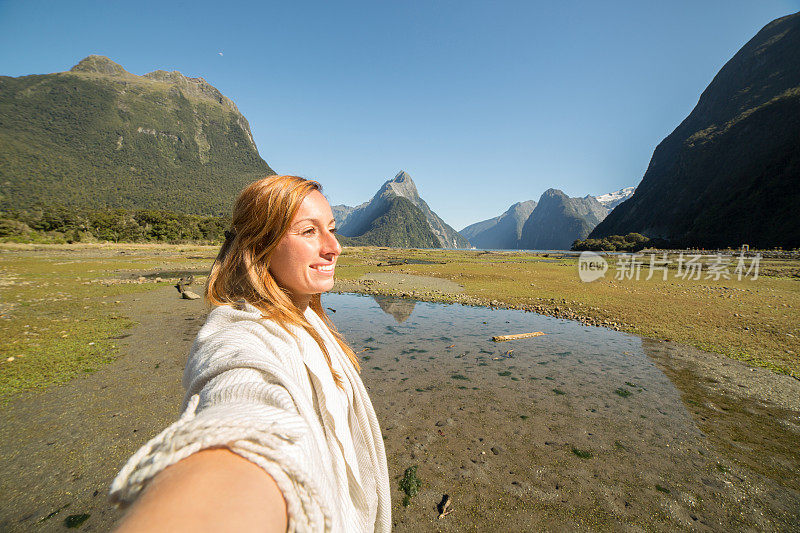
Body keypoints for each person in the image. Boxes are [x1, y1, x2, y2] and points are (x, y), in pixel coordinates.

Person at [109, 175, 391, 532]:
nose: (334, 247)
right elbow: (243, 403)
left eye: (332, 229)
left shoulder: (305, 316)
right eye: (309, 232)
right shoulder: (241, 333)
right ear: (261, 244)